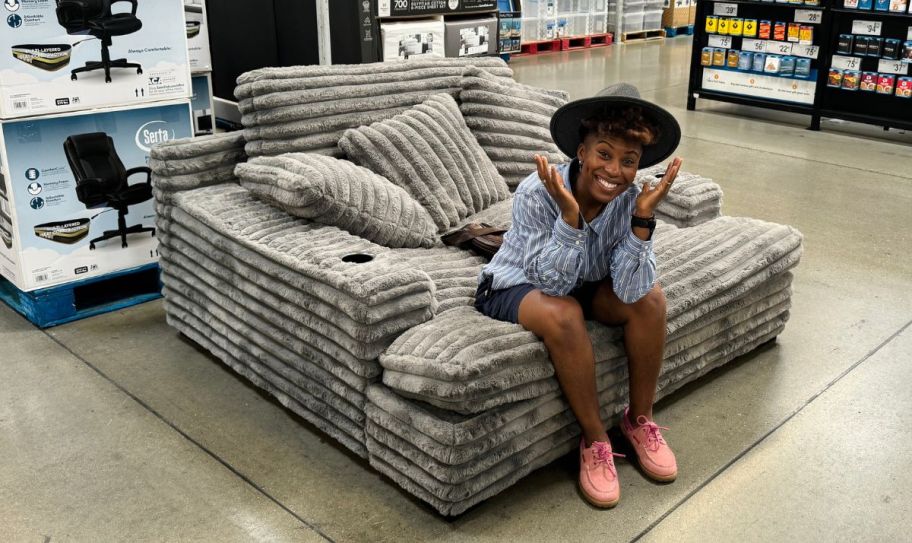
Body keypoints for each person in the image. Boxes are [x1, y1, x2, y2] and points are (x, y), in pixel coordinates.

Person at [474, 83, 683, 508]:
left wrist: (643, 219)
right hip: (518, 283)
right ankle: (595, 440)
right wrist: (569, 220)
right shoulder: (538, 190)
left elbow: (630, 288)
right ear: (582, 152)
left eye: (629, 161)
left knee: (651, 298)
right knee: (564, 312)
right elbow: (550, 285)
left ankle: (639, 421)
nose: (614, 170)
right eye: (603, 154)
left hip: (584, 283)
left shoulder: (630, 198)